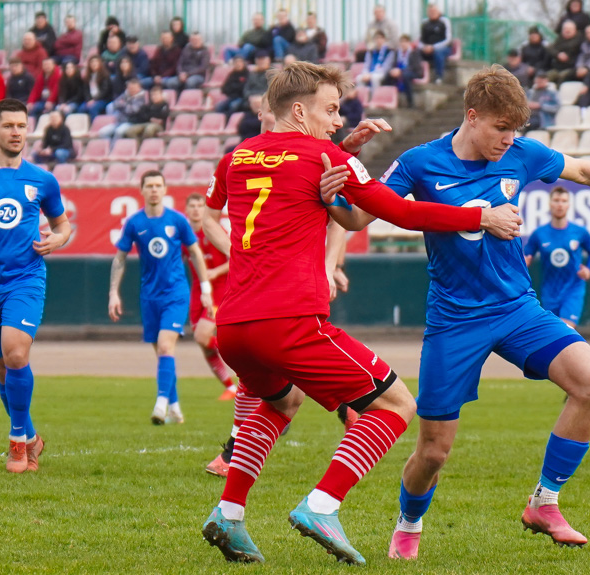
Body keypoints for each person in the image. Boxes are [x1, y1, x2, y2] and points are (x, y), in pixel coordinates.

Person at [318, 65, 590, 560]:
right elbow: (358, 216)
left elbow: (585, 170)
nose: (509, 140)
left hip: (517, 308)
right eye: (501, 128)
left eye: (516, 130)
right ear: (471, 116)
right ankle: (409, 522)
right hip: (454, 321)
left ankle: (544, 502)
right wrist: (329, 206)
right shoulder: (420, 162)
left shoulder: (521, 155)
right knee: (434, 452)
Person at [199, 61, 523, 566]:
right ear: (300, 109)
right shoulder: (324, 154)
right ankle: (322, 505)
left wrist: (341, 153)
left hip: (234, 325)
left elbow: (219, 203)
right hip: (289, 321)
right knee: (395, 405)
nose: (337, 120)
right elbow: (399, 210)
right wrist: (478, 215)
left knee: (281, 404)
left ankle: (230, 512)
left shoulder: (236, 156)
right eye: (331, 110)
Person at [200, 93, 361, 477]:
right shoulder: (238, 158)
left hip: (298, 278)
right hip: (255, 280)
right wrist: (239, 253)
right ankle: (238, 459)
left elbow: (342, 213)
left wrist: (329, 264)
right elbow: (209, 218)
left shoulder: (314, 152)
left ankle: (236, 457)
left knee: (287, 373)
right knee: (267, 373)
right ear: (263, 112)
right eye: (273, 108)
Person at [108, 170, 213, 425]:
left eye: (158, 185)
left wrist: (206, 288)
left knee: (167, 347)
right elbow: (120, 258)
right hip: (149, 296)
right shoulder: (134, 223)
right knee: (163, 354)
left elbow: (196, 253)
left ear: (165, 190)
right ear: (142, 190)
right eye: (149, 186)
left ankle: (160, 405)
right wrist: (113, 293)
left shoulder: (177, 221)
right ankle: (175, 407)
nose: (154, 190)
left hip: (176, 294)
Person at [0, 98, 70, 473]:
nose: (15, 132)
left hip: (24, 278)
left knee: (14, 354)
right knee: (1, 368)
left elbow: (63, 225)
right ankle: (31, 437)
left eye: (21, 126)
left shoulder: (42, 179)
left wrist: (58, 239)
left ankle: (16, 445)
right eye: (8, 125)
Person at [182, 194, 236, 400]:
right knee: (202, 343)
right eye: (192, 206)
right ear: (186, 210)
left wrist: (216, 272)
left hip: (220, 289)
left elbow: (235, 258)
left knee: (203, 336)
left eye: (199, 205)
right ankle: (230, 387)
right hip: (197, 291)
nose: (196, 209)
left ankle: (243, 356)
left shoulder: (214, 231)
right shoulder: (184, 235)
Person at [524, 187, 590, 328]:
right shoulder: (539, 234)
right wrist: (525, 262)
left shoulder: (579, 232)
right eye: (556, 200)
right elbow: (527, 255)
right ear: (550, 204)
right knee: (552, 331)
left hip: (573, 288)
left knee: (566, 328)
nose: (560, 204)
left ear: (569, 205)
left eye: (564, 201)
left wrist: (588, 270)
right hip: (550, 291)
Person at [384, 34, 424, 108]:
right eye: (401, 42)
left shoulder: (414, 52)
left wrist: (401, 71)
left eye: (405, 42)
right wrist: (393, 70)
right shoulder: (397, 53)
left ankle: (411, 102)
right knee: (388, 76)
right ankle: (389, 99)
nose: (403, 44)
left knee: (405, 76)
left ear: (409, 43)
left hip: (415, 72)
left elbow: (414, 67)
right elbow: (394, 64)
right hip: (401, 71)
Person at [419, 3, 452, 83]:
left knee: (438, 52)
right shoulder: (425, 23)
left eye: (434, 11)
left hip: (443, 48)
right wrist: (424, 47)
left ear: (438, 11)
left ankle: (439, 76)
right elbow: (420, 40)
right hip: (427, 48)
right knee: (415, 53)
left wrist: (434, 47)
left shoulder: (444, 21)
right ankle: (418, 74)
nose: (432, 13)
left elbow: (448, 39)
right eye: (430, 11)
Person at [547, 20, 582, 85]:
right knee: (545, 78)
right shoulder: (560, 39)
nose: (567, 31)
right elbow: (551, 48)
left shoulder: (579, 39)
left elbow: (571, 47)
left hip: (571, 68)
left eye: (569, 29)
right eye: (565, 29)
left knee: (562, 77)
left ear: (575, 30)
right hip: (557, 67)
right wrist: (558, 54)